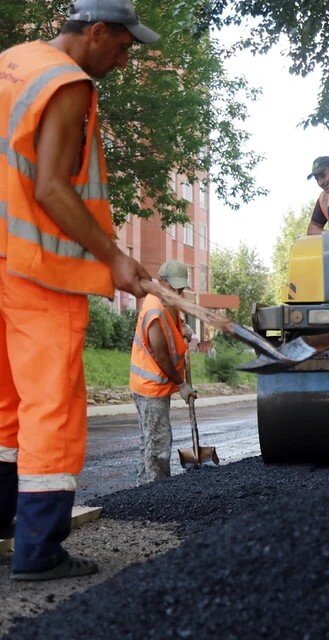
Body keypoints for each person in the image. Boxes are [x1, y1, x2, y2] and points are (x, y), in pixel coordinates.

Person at [0, 0, 159, 580]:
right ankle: (38, 551)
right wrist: (114, 255)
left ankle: (4, 524)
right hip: (39, 269)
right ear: (95, 33)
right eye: (122, 46)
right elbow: (49, 187)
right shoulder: (69, 84)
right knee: (52, 408)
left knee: (7, 404)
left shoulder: (12, 62)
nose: (123, 57)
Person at [130, 260, 197, 485]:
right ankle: (157, 492)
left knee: (148, 442)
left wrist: (185, 329)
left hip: (155, 386)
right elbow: (161, 355)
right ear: (161, 281)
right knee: (158, 445)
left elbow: (174, 325)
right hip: (150, 387)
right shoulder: (153, 308)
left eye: (181, 288)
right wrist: (181, 384)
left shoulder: (168, 301)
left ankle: (142, 492)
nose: (177, 291)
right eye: (174, 287)